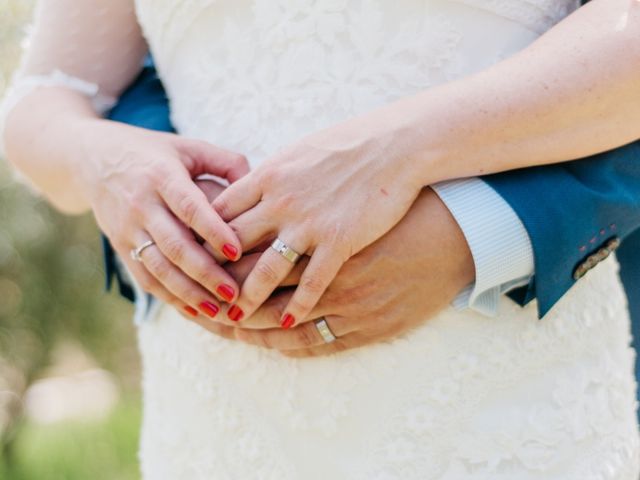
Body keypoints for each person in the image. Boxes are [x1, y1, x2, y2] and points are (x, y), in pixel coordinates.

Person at [1, 0, 639, 477]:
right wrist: (104, 164)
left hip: (507, 412)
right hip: (215, 418)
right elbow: (42, 95)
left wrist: (395, 154)